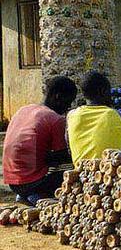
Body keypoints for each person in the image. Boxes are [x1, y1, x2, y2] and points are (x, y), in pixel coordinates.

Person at [3, 76, 77, 205]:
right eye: (68, 102)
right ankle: (37, 197)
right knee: (73, 172)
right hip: (32, 182)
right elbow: (62, 155)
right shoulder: (55, 119)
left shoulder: (23, 110)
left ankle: (25, 195)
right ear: (58, 97)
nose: (68, 107)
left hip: (11, 181)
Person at [67, 71, 121, 165]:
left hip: (81, 175)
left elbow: (69, 149)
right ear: (103, 91)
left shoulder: (71, 116)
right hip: (109, 175)